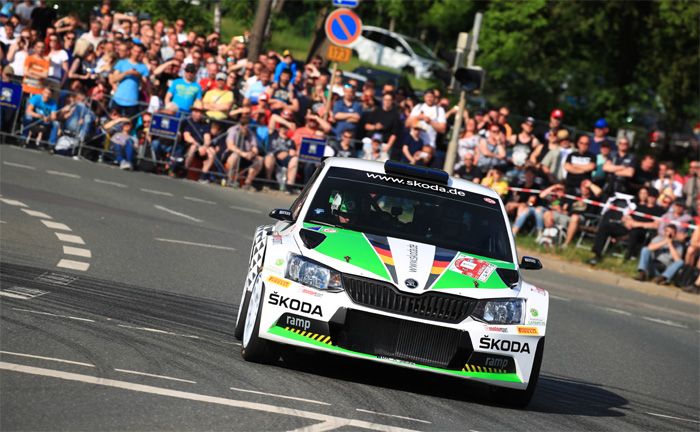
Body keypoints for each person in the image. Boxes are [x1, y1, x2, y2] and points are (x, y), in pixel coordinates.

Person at [110, 43, 149, 119]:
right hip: (118, 98)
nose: (136, 54)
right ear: (131, 51)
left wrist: (139, 76)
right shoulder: (122, 63)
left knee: (129, 124)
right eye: (135, 51)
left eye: (139, 52)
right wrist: (126, 73)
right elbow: (113, 79)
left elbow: (144, 87)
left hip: (132, 101)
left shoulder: (143, 67)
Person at [225, 116, 262, 190]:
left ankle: (247, 183)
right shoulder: (233, 130)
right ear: (240, 125)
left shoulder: (250, 133)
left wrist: (252, 153)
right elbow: (230, 146)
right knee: (235, 156)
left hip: (246, 156)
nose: (245, 128)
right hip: (232, 154)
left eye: (246, 125)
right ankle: (230, 179)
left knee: (259, 160)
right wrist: (242, 153)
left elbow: (255, 148)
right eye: (243, 125)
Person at [362, 92, 402, 160]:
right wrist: (375, 127)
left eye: (389, 100)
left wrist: (388, 146)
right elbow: (366, 126)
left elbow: (394, 134)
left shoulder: (395, 115)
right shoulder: (376, 111)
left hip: (384, 144)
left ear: (392, 101)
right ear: (383, 100)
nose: (387, 102)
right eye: (385, 99)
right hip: (371, 142)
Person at [182, 101, 216, 182]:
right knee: (193, 148)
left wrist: (205, 146)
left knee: (212, 152)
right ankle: (185, 170)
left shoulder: (205, 124)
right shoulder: (187, 121)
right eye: (196, 111)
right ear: (192, 111)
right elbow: (187, 137)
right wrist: (198, 146)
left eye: (200, 112)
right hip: (190, 145)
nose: (198, 114)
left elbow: (207, 138)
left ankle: (203, 176)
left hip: (201, 147)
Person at [264, 117, 298, 190]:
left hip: (285, 158)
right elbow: (273, 117)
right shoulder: (273, 134)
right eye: (282, 126)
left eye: (286, 128)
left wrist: (288, 152)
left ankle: (289, 186)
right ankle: (268, 181)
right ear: (279, 127)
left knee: (295, 159)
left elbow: (293, 152)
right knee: (269, 157)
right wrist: (287, 123)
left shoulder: (290, 141)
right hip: (273, 156)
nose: (284, 128)